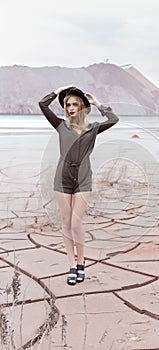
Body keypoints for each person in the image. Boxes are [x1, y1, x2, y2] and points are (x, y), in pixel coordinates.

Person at [38, 85, 119, 285]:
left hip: (83, 179)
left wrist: (97, 103)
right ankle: (72, 265)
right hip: (62, 180)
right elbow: (42, 104)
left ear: (82, 106)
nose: (71, 108)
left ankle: (82, 261)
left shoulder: (93, 129)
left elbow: (114, 119)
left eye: (75, 104)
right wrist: (59, 91)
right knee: (66, 224)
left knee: (76, 224)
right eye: (68, 104)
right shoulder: (60, 125)